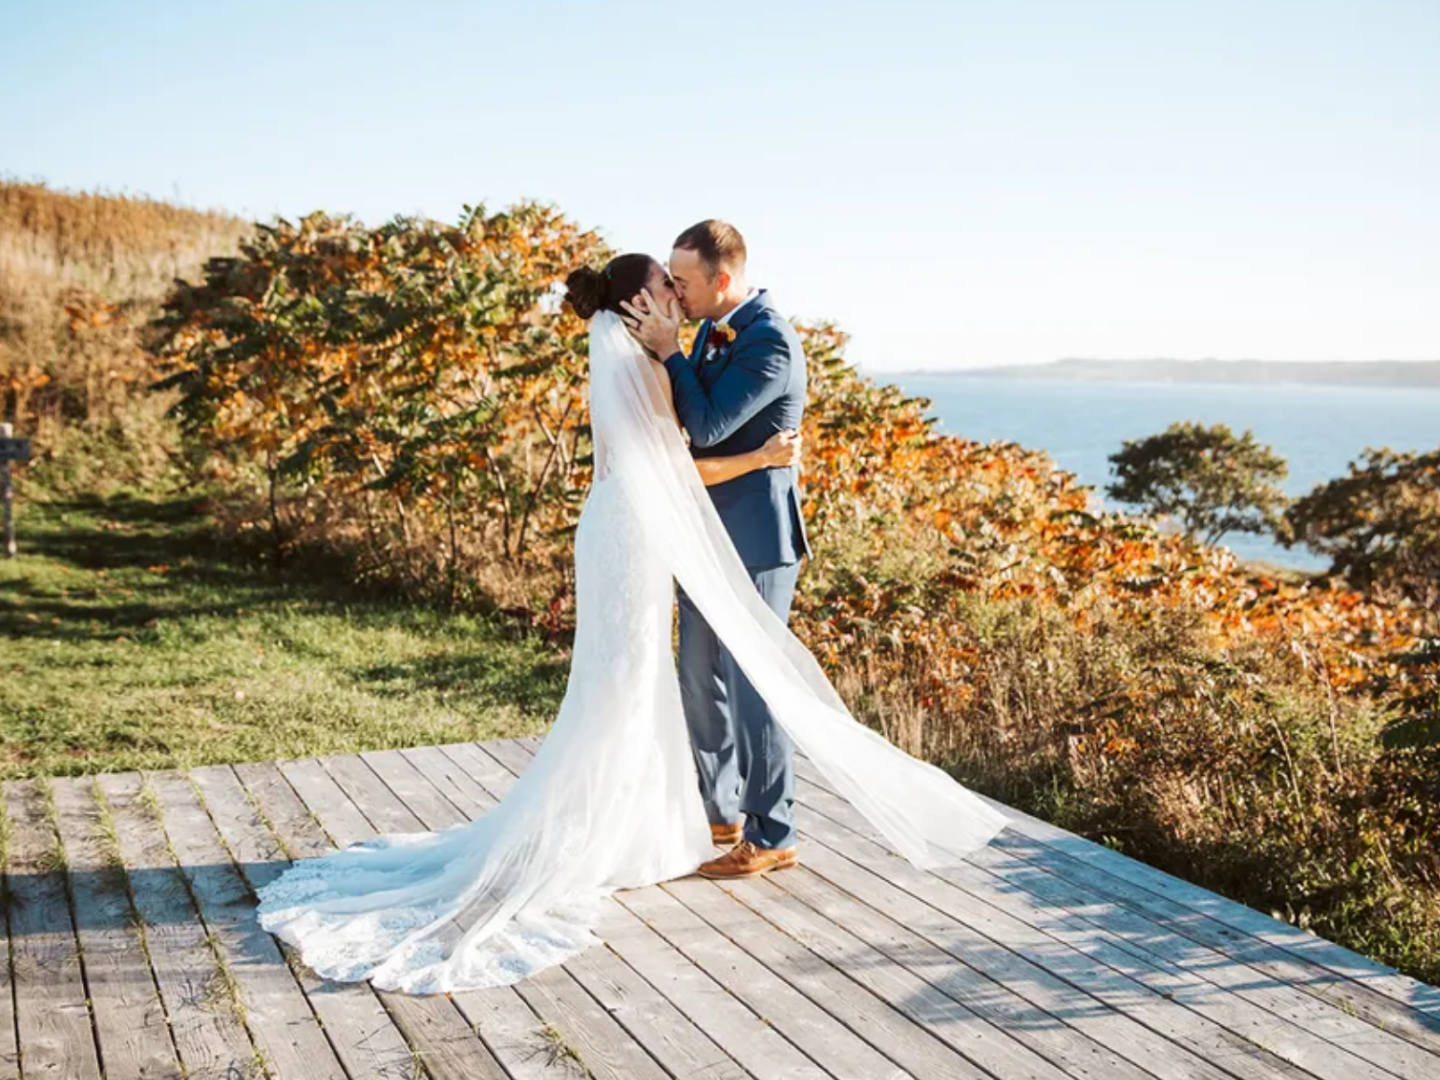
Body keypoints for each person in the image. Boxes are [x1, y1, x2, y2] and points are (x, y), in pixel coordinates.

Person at [255, 246, 1008, 996]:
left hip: (654, 533)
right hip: (637, 532)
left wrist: (685, 371)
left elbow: (689, 436)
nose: (674, 293)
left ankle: (739, 828)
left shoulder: (715, 344)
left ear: (717, 277)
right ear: (638, 306)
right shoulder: (643, 357)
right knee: (639, 683)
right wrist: (761, 455)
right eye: (662, 285)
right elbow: (681, 458)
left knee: (662, 681)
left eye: (680, 283)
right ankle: (665, 824)